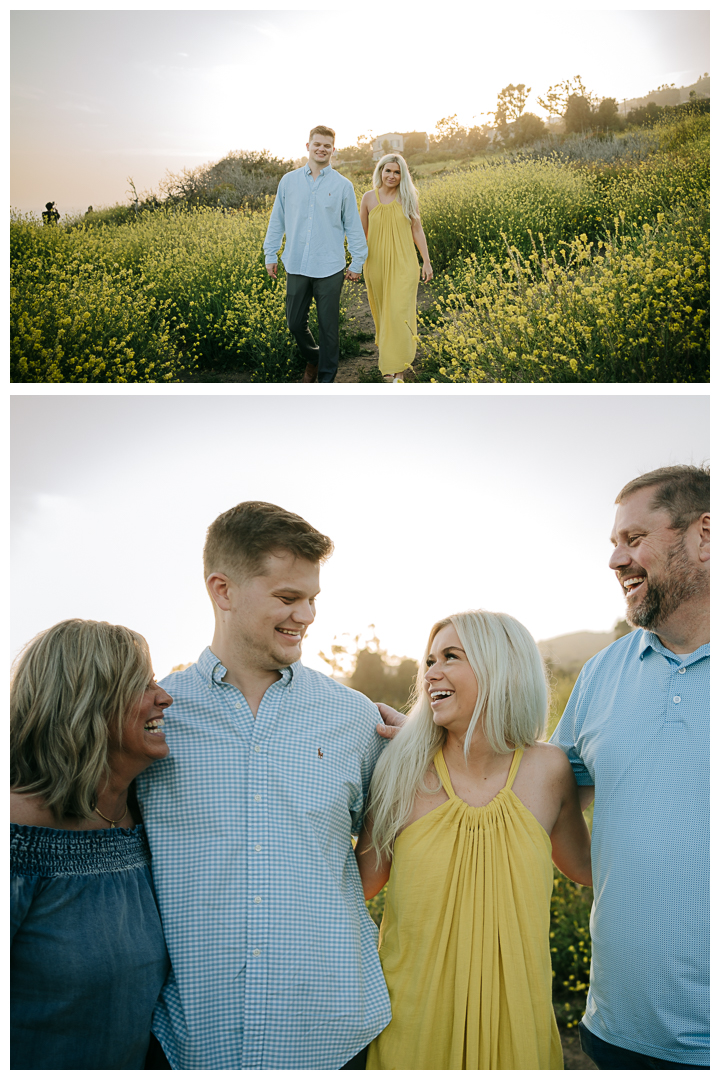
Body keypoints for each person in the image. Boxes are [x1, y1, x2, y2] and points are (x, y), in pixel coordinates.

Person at [135, 501, 391, 1070]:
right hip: (190, 1038)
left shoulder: (355, 719)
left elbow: (391, 848)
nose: (306, 615)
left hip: (331, 1034)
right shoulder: (154, 717)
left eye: (312, 599)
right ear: (222, 590)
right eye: (287, 597)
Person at [355, 609, 592, 1070]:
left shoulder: (550, 771)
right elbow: (355, 888)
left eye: (450, 656)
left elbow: (586, 870)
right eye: (428, 660)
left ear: (500, 668)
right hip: (414, 1022)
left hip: (517, 1023)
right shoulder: (400, 771)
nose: (431, 672)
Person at [550, 465, 709, 1070]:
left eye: (634, 539)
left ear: (703, 534)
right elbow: (552, 787)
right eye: (614, 543)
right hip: (616, 1031)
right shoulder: (601, 673)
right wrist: (444, 735)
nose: (616, 559)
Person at [10, 619, 171, 1070]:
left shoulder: (148, 819)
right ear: (87, 702)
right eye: (142, 684)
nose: (165, 697)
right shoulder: (17, 837)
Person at [263, 125, 367, 384]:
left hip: (330, 267)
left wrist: (357, 261)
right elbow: (277, 220)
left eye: (327, 145)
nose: (322, 149)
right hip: (297, 263)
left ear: (334, 149)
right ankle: (314, 357)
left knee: (328, 330)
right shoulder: (288, 181)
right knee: (295, 323)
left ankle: (326, 381)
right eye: (317, 144)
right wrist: (270, 254)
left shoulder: (343, 186)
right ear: (308, 146)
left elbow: (353, 226)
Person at [360, 154, 432, 383]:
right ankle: (391, 365)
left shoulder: (408, 198)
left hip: (405, 264)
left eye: (397, 172)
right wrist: (353, 264)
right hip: (376, 265)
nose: (392, 176)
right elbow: (360, 235)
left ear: (403, 175)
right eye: (388, 171)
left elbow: (417, 231)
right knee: (383, 313)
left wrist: (426, 261)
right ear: (380, 171)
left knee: (399, 313)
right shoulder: (368, 199)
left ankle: (396, 370)